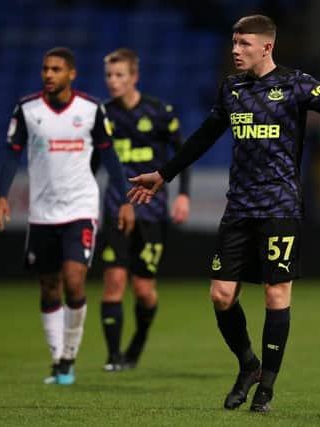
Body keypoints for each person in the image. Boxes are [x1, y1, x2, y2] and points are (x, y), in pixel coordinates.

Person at [127, 15, 320, 412]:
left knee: (276, 294)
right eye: (233, 43)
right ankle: (248, 364)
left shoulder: (297, 84)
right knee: (221, 296)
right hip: (239, 206)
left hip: (280, 206)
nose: (235, 51)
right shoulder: (231, 89)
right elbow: (204, 135)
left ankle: (266, 390)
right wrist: (164, 175)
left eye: (243, 44)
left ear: (266, 46)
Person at [0, 47, 134, 386]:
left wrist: (126, 200)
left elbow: (109, 156)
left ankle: (70, 354)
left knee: (73, 280)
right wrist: (1, 195)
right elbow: (12, 155)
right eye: (45, 69)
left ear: (71, 74)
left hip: (80, 208)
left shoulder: (89, 110)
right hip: (42, 212)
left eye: (56, 69)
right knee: (49, 286)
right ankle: (57, 358)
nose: (48, 74)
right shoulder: (28, 110)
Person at [95, 48, 191, 372]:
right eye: (109, 75)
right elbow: (93, 166)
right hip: (115, 211)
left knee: (144, 290)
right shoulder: (102, 116)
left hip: (151, 212)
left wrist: (183, 196)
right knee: (114, 282)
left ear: (134, 77)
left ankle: (137, 342)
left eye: (119, 75)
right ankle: (113, 357)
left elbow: (183, 156)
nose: (113, 81)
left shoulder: (159, 112)